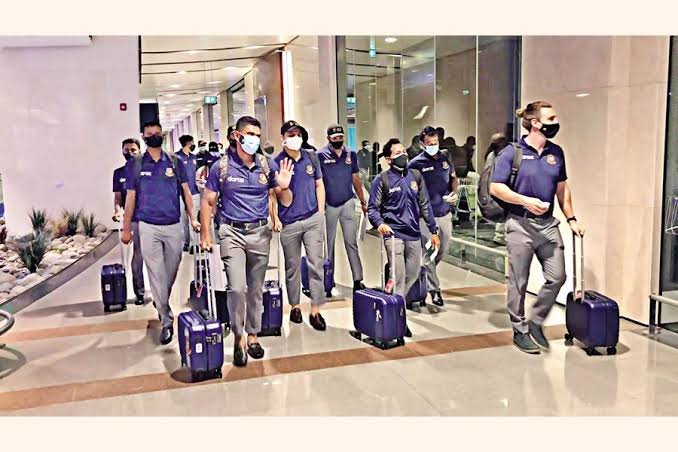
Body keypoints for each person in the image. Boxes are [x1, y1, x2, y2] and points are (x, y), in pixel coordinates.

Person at [490, 101, 584, 354]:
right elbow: (496, 187)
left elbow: (562, 189)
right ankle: (519, 329)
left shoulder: (556, 152)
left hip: (548, 225)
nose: (556, 122)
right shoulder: (512, 152)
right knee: (518, 281)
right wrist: (525, 201)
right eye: (551, 118)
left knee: (558, 276)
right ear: (535, 123)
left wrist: (572, 219)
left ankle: (536, 320)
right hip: (519, 224)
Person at [200, 116, 293, 367]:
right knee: (237, 288)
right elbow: (208, 201)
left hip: (260, 232)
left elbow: (285, 201)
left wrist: (284, 187)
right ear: (237, 136)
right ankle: (238, 335)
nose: (254, 139)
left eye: (257, 135)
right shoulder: (221, 167)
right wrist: (205, 234)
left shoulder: (266, 165)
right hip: (231, 232)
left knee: (255, 289)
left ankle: (253, 335)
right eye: (250, 134)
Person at [121, 120, 200, 345]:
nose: (154, 135)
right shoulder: (136, 164)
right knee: (155, 272)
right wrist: (126, 228)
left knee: (171, 270)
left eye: (157, 132)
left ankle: (160, 298)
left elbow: (186, 193)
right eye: (150, 133)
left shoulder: (175, 161)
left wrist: (192, 218)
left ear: (162, 135)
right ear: (144, 136)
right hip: (148, 226)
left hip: (173, 224)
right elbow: (130, 198)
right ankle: (166, 319)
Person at [368, 138, 440, 336]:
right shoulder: (382, 179)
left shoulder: (415, 176)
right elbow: (373, 208)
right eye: (398, 153)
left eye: (404, 151)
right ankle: (399, 321)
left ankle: (392, 299)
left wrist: (433, 230)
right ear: (389, 158)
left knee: (414, 273)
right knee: (399, 277)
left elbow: (425, 204)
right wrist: (380, 223)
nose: (403, 155)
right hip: (393, 235)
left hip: (413, 234)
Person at [273, 120, 327, 331]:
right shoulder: (277, 163)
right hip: (289, 223)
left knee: (316, 264)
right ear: (283, 138)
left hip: (312, 219)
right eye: (291, 134)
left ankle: (315, 310)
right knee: (292, 266)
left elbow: (319, 184)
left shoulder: (311, 157)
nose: (295, 138)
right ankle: (295, 306)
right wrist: (276, 217)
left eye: (298, 134)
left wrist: (320, 212)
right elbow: (276, 197)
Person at [408, 126, 459, 306]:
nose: (433, 146)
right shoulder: (415, 164)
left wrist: (454, 193)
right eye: (429, 144)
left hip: (444, 212)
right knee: (430, 252)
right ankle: (434, 290)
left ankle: (424, 272)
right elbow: (410, 190)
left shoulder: (445, 157)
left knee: (442, 249)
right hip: (425, 216)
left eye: (435, 143)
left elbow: (453, 178)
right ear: (422, 145)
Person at [317, 124, 368, 295]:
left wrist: (362, 200)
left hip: (347, 202)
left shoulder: (350, 154)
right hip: (329, 205)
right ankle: (328, 281)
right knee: (328, 244)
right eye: (335, 138)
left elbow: (355, 178)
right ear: (328, 139)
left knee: (351, 242)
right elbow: (318, 182)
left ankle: (358, 279)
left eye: (340, 137)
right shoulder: (320, 155)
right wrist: (319, 206)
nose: (338, 140)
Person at [112, 138, 146, 305]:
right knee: (138, 256)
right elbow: (118, 198)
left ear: (139, 151)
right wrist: (117, 211)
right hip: (133, 220)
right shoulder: (119, 173)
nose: (130, 153)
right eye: (126, 150)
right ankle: (139, 292)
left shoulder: (147, 170)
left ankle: (160, 293)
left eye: (133, 150)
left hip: (151, 218)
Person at [176, 134, 200, 253]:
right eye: (192, 142)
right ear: (188, 143)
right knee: (184, 220)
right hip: (180, 195)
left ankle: (193, 244)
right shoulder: (176, 158)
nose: (193, 144)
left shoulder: (194, 158)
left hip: (194, 192)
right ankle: (186, 242)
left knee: (193, 219)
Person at [486, 133, 510, 245]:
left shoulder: (491, 154)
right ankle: (500, 235)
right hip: (497, 186)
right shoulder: (498, 155)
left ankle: (500, 234)